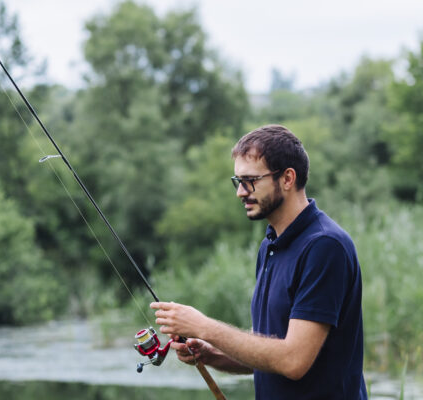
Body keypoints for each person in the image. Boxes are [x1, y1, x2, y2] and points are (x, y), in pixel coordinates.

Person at [151, 125, 367, 399]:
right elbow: (270, 350)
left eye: (250, 180)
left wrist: (204, 326)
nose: (240, 192)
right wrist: (213, 354)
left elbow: (293, 360)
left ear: (288, 178)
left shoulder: (325, 246)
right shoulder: (270, 246)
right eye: (238, 181)